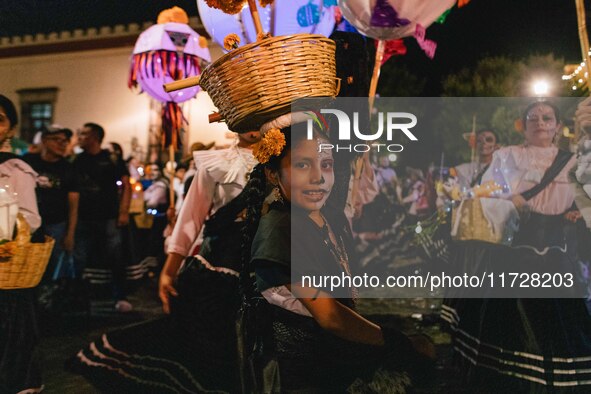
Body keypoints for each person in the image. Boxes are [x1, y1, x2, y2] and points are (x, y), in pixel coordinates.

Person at [243, 126, 435, 392]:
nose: (318, 177)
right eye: (302, 165)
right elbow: (330, 316)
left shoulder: (328, 217)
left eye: (326, 164)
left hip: (334, 360)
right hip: (305, 375)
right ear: (273, 173)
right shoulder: (279, 231)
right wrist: (396, 342)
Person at [68, 131, 260, 393]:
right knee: (210, 344)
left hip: (268, 266)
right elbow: (190, 218)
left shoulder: (288, 159)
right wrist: (169, 270)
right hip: (221, 268)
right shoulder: (216, 164)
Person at [442, 101, 591, 391]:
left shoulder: (572, 161)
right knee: (509, 317)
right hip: (513, 249)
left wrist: (573, 210)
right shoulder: (507, 156)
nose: (540, 122)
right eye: (532, 118)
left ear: (558, 126)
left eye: (547, 118)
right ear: (523, 125)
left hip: (555, 253)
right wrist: (508, 200)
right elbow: (485, 192)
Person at [0, 94, 43, 393]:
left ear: (11, 129)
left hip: (6, 270)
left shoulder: (16, 170)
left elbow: (31, 218)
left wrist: (7, 231)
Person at [73, 122, 132, 312]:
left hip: (109, 216)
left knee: (115, 257)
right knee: (80, 258)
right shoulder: (78, 160)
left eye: (83, 134)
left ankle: (120, 296)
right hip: (84, 216)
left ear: (95, 138)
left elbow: (126, 185)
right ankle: (80, 297)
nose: (79, 137)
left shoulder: (111, 159)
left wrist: (123, 211)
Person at [24, 125, 79, 284]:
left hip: (56, 225)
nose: (62, 144)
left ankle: (46, 300)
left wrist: (70, 234)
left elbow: (74, 204)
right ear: (44, 140)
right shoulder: (28, 161)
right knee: (27, 264)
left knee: (51, 266)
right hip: (28, 225)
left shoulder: (69, 169)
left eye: (65, 141)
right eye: (57, 139)